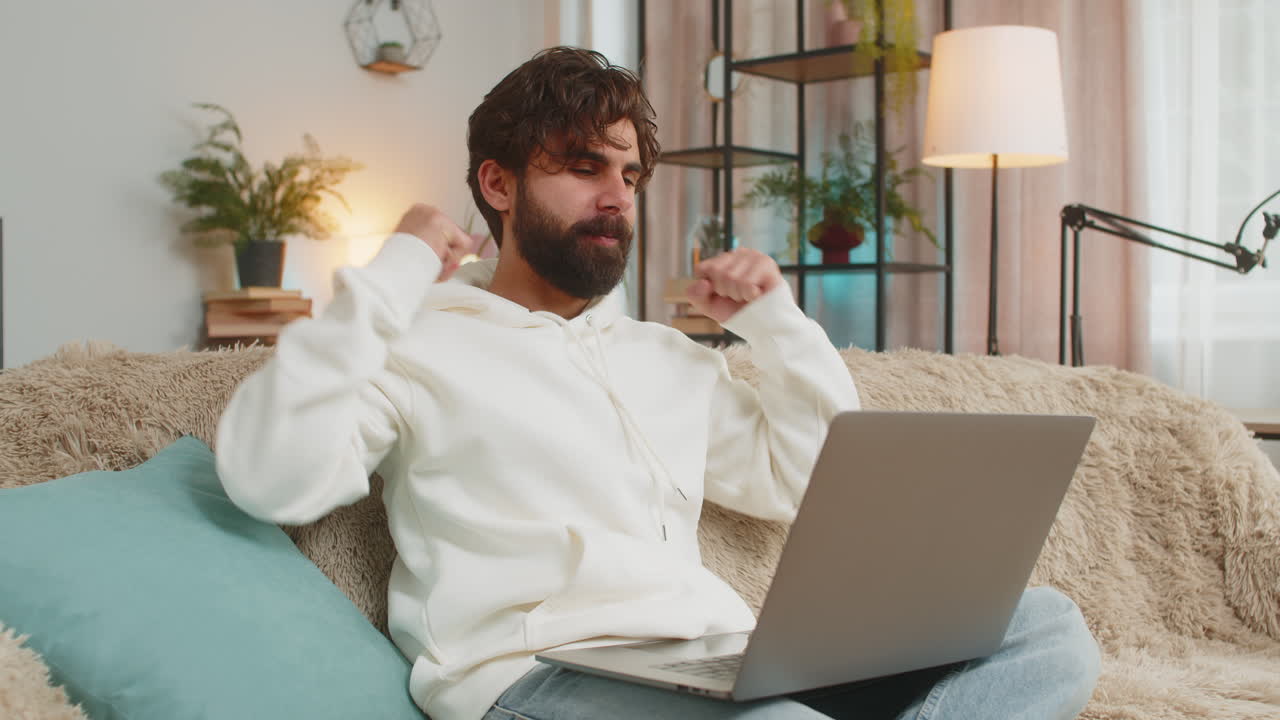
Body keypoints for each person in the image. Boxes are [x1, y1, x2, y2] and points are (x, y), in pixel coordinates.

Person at [216, 47, 1100, 720]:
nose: (617, 195)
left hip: (711, 661)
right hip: (538, 685)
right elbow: (268, 475)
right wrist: (393, 273)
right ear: (499, 182)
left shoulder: (668, 357)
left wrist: (778, 327)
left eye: (630, 174)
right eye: (583, 166)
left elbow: (805, 483)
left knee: (1045, 627)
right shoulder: (416, 344)